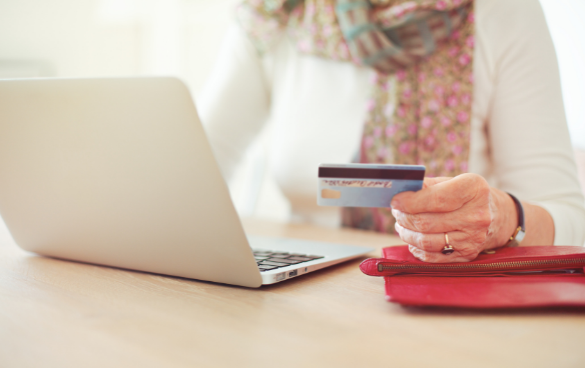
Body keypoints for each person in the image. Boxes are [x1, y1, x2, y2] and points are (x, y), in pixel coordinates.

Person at [198, 0, 585, 262]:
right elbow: (193, 171)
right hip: (301, 295)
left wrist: (504, 219)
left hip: (446, 301)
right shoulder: (277, 13)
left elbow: (571, 221)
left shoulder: (504, 13)